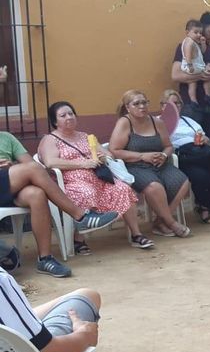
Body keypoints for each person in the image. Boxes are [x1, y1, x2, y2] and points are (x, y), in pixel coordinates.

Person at [38, 101, 152, 252]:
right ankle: (79, 239)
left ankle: (136, 234)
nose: (69, 117)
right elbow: (50, 162)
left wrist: (103, 157)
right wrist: (82, 164)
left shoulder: (85, 136)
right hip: (71, 182)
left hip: (99, 178)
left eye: (71, 114)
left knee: (123, 188)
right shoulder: (51, 139)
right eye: (63, 115)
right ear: (54, 121)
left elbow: (108, 154)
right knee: (86, 192)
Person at [0, 132, 117, 277]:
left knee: (37, 195)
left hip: (8, 185)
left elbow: (28, 161)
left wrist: (13, 167)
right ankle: (80, 216)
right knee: (33, 169)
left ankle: (45, 259)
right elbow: (33, 167)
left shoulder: (6, 137)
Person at [109, 89, 192, 237]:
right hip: (135, 166)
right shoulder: (125, 123)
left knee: (183, 182)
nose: (142, 106)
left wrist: (164, 155)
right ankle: (172, 223)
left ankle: (160, 222)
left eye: (144, 102)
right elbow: (114, 150)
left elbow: (168, 146)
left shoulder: (157, 122)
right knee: (155, 186)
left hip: (160, 164)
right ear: (128, 107)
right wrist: (141, 156)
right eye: (137, 104)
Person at [161, 90, 210, 224]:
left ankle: (204, 205)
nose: (176, 106)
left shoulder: (188, 121)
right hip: (183, 157)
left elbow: (204, 136)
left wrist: (205, 139)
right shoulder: (160, 122)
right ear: (163, 105)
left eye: (178, 103)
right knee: (202, 177)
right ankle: (205, 208)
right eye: (171, 103)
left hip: (201, 153)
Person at [171, 11, 210, 141]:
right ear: (202, 27)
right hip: (190, 105)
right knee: (192, 143)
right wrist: (201, 76)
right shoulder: (185, 46)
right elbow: (175, 75)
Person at [179, 19, 210, 106]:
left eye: (200, 33)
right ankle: (208, 95)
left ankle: (193, 100)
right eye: (196, 32)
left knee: (192, 83)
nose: (198, 35)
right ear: (187, 32)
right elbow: (187, 54)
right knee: (207, 76)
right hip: (192, 66)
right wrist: (190, 65)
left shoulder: (194, 42)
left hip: (191, 66)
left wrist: (202, 43)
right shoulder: (189, 42)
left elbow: (202, 52)